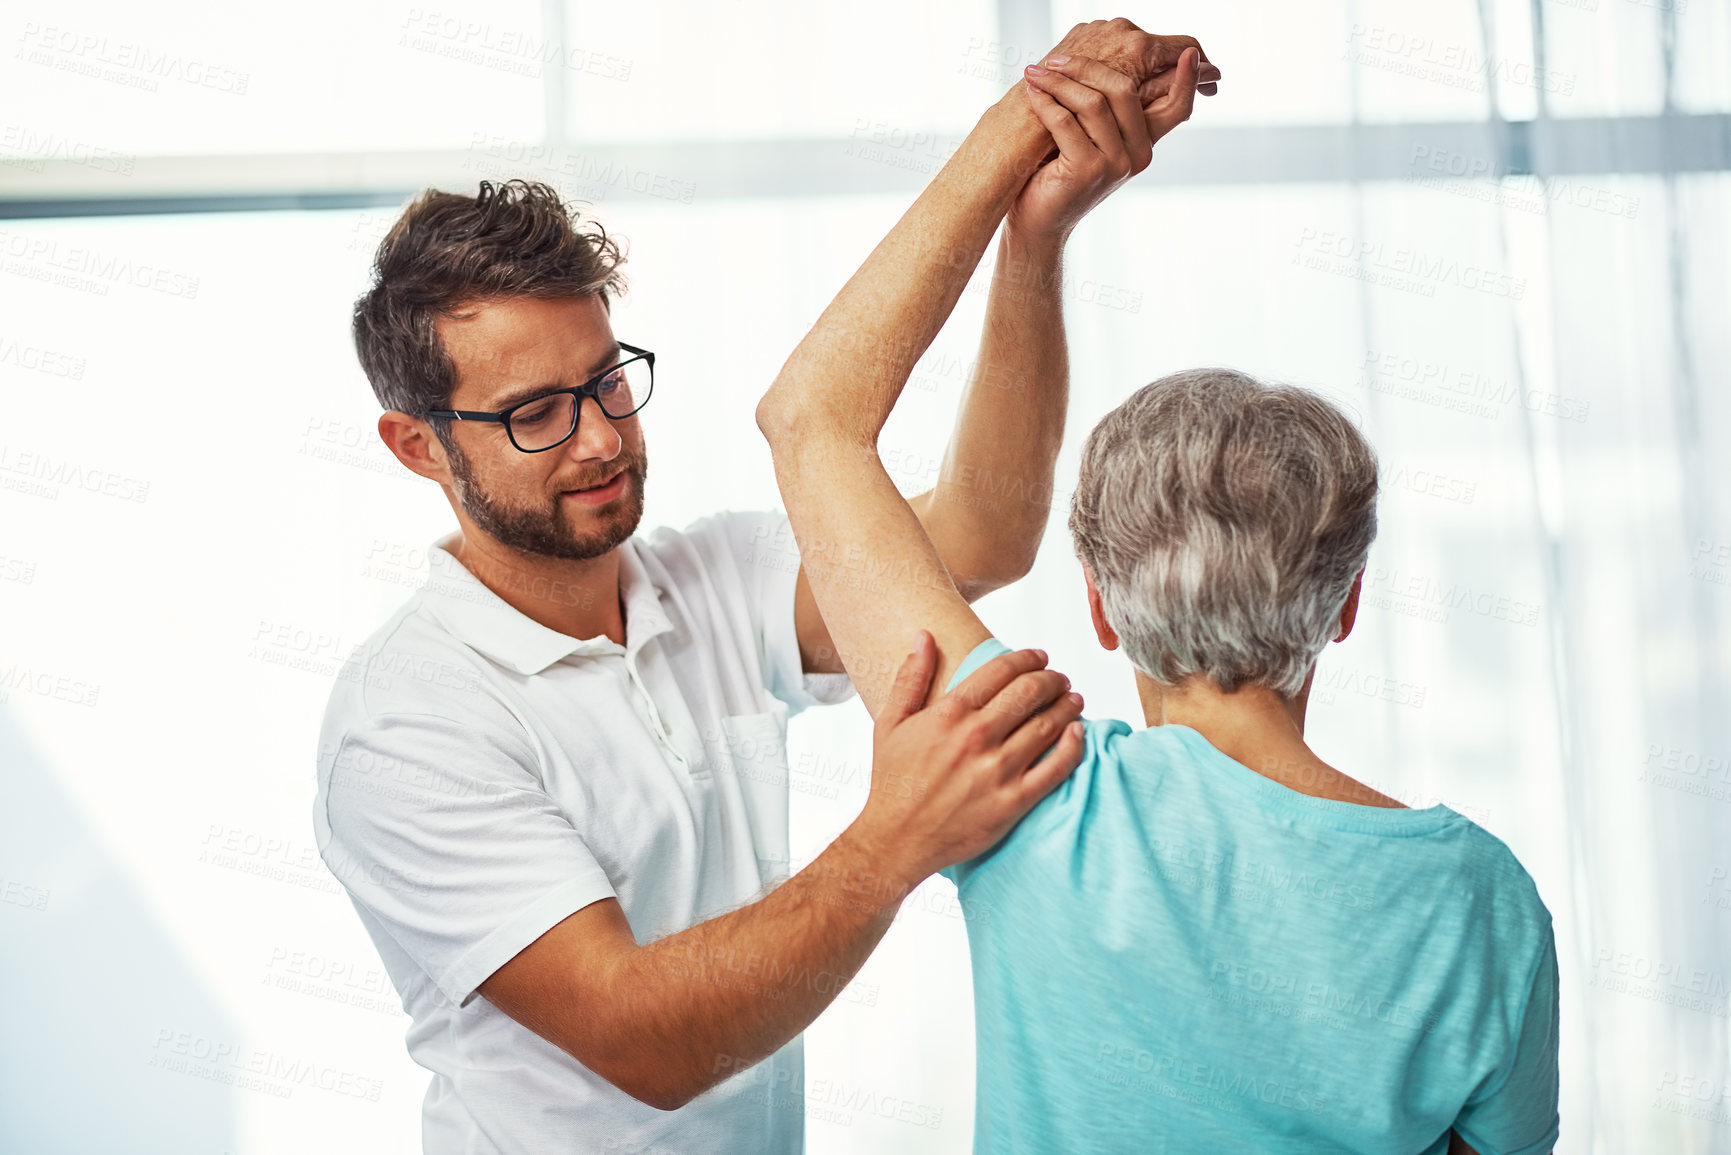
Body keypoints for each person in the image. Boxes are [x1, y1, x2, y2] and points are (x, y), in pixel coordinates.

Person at [311, 19, 1220, 1153]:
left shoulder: (712, 577)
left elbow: (981, 533)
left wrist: (1033, 241)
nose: (600, 439)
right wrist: (896, 837)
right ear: (417, 447)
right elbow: (644, 1040)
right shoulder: (407, 724)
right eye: (537, 412)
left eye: (608, 382)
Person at [756, 23, 1560, 1155]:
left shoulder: (1028, 792)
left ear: (1098, 604)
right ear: (1345, 604)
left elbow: (812, 423)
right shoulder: (1485, 905)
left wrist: (1025, 131)